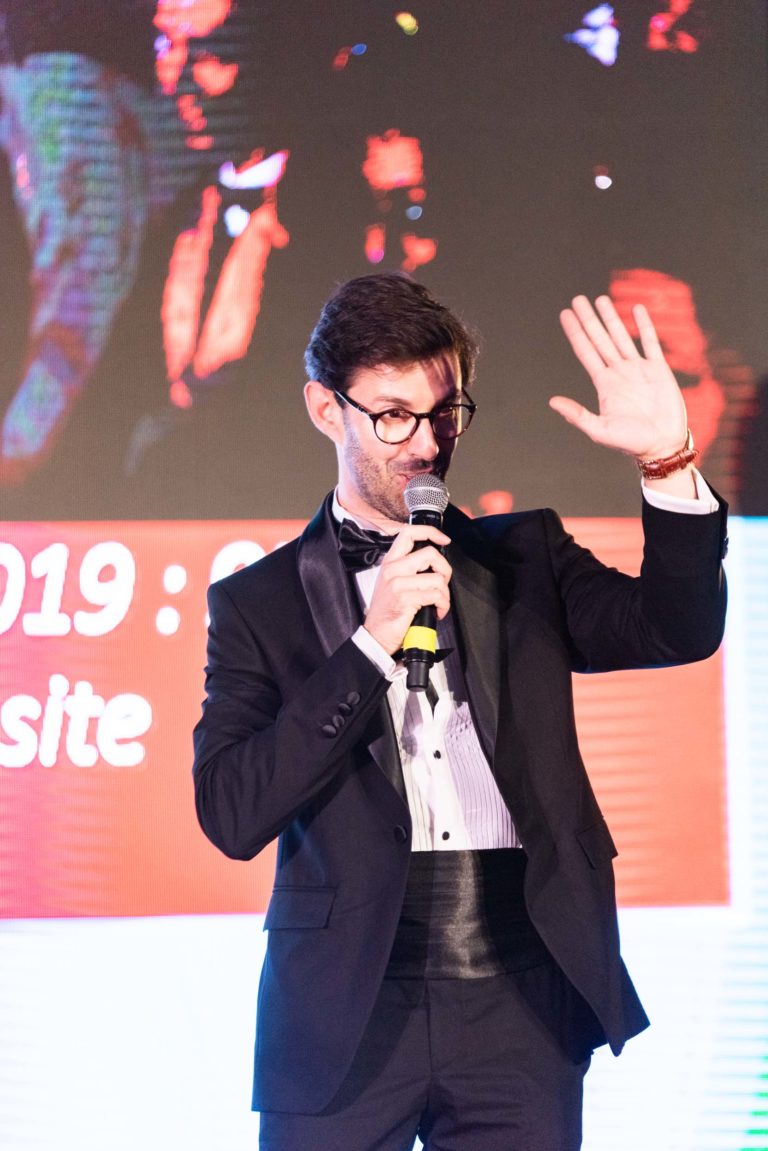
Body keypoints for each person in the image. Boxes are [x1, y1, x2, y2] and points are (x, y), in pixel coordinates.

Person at [193, 272, 727, 1150]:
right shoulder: (259, 603)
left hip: (520, 997)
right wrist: (369, 645)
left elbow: (679, 628)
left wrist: (667, 463)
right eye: (392, 415)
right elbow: (231, 811)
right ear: (327, 409)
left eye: (444, 414)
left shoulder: (525, 558)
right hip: (343, 1009)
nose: (425, 444)